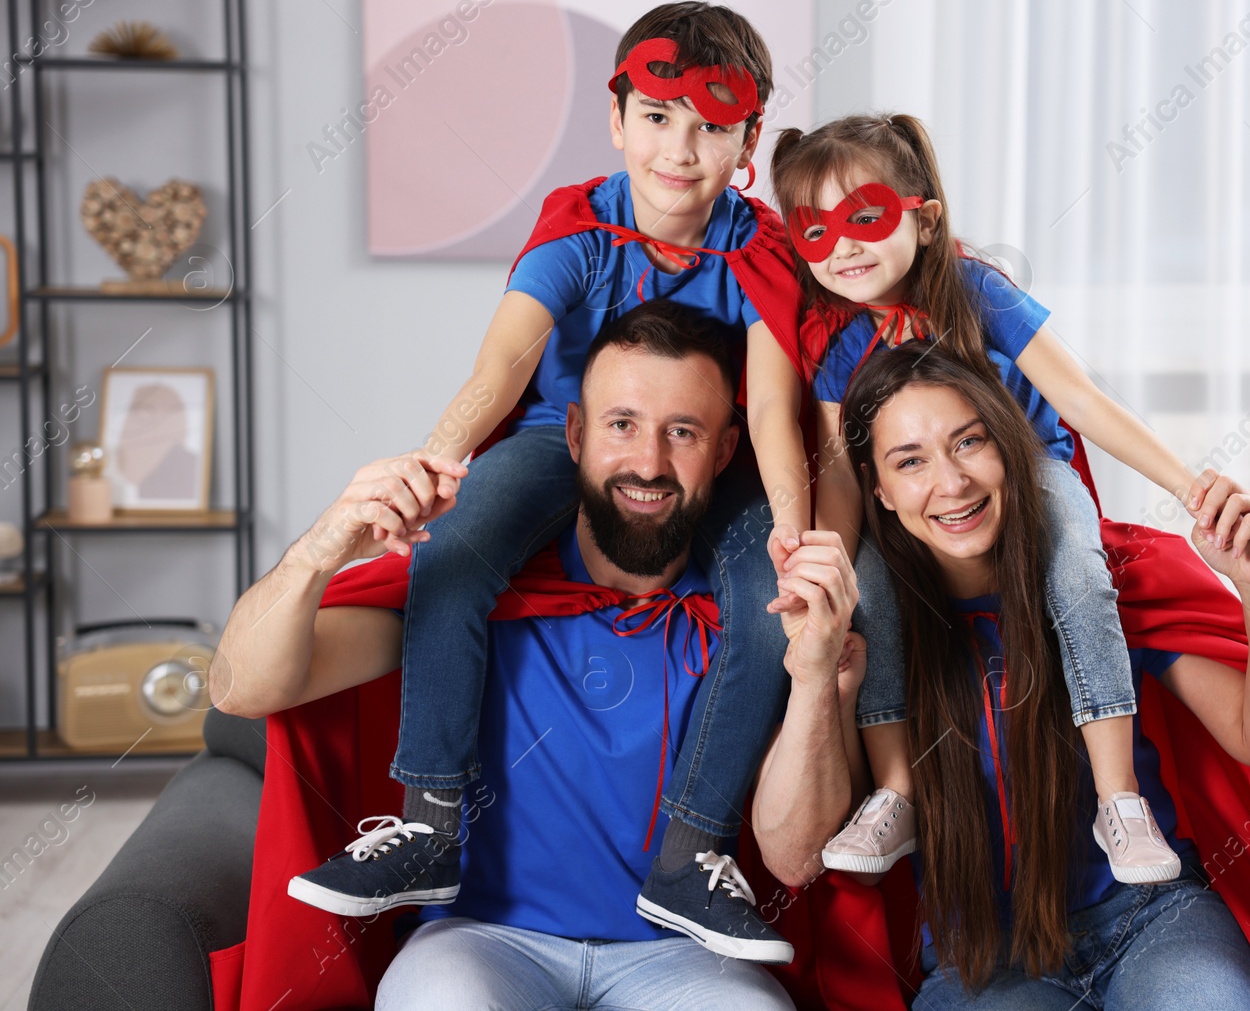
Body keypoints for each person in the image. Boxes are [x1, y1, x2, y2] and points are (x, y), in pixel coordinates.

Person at [287, 1, 829, 960]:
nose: (679, 148)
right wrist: (439, 460)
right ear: (617, 119)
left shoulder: (758, 253)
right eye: (657, 118)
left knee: (763, 605)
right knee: (453, 551)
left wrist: (793, 527)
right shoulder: (580, 227)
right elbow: (499, 368)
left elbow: (779, 413)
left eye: (711, 126)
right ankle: (431, 819)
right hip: (563, 437)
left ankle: (690, 853)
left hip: (719, 455)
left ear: (748, 139)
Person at [211, 301, 864, 1006]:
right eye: (623, 425)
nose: (648, 461)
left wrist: (814, 679)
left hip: (684, 959)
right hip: (480, 940)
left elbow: (794, 856)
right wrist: (322, 548)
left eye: (683, 432)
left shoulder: (755, 620)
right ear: (576, 434)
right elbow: (238, 688)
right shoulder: (471, 597)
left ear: (728, 450)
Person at [765, 113, 1221, 883]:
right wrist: (831, 562)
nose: (842, 246)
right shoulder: (840, 343)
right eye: (814, 230)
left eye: (864, 218)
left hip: (1025, 471)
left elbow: (1077, 396)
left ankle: (1119, 798)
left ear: (925, 217)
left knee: (1077, 564)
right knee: (867, 590)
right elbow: (843, 471)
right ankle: (896, 789)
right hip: (911, 502)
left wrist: (1190, 484)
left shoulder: (976, 290)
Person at [834, 340, 1250, 1006]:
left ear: (1011, 446)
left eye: (970, 443)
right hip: (984, 960)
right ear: (878, 488)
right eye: (910, 461)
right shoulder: (870, 629)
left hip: (1151, 918)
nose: (951, 481)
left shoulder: (1104, 582)